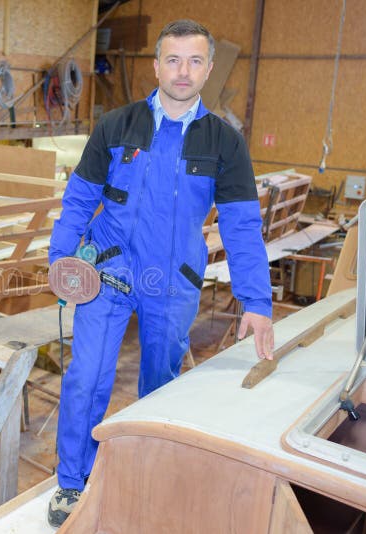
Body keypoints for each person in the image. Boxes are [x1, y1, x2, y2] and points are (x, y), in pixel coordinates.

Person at [46, 19, 275, 528]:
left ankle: (144, 478)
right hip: (106, 272)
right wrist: (61, 260)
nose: (183, 71)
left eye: (195, 61)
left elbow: (241, 227)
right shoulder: (117, 126)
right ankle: (72, 483)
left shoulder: (224, 143)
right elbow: (81, 197)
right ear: (156, 66)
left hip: (173, 284)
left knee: (160, 386)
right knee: (86, 379)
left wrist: (257, 302)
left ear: (209, 68)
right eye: (173, 60)